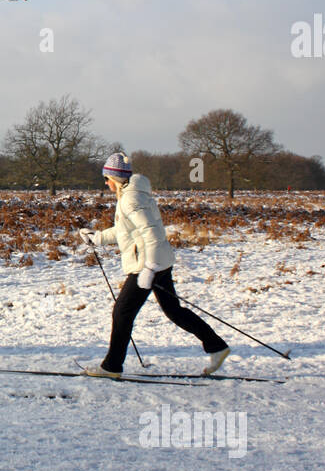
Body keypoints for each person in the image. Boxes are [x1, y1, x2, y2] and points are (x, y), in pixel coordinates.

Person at [78, 152, 229, 377]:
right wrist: (98, 237)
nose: (106, 182)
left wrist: (149, 269)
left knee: (122, 312)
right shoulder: (133, 195)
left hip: (148, 264)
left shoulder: (130, 199)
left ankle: (111, 367)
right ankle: (217, 346)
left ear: (116, 178)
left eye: (107, 178)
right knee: (173, 311)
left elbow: (152, 234)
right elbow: (126, 231)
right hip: (158, 261)